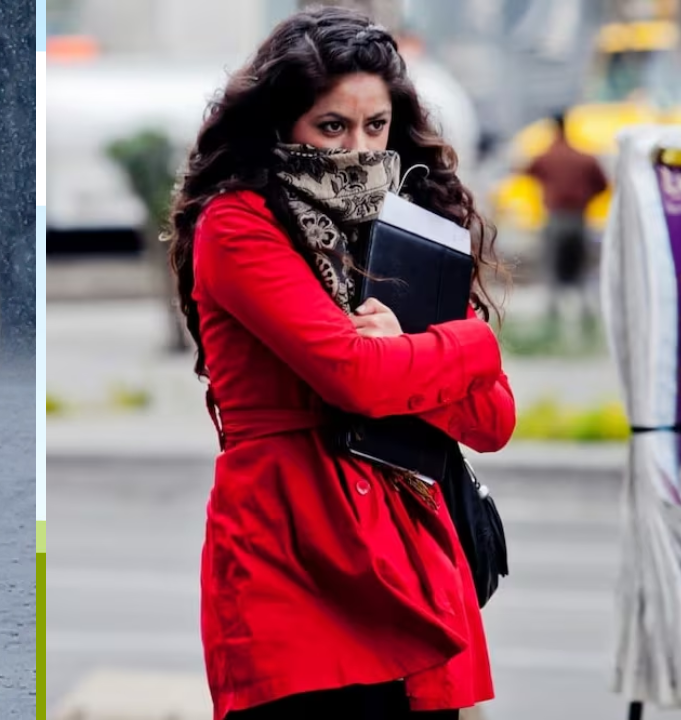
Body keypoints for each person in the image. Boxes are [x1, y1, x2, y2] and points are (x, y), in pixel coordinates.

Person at [164, 8, 515, 720]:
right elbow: (352, 375)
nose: (357, 148)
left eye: (375, 126)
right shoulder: (236, 224)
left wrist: (407, 359)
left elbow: (493, 419)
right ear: (282, 123)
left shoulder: (408, 229)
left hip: (407, 551)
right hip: (293, 558)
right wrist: (471, 347)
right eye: (332, 126)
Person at [522, 111, 609, 331]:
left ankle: (552, 317)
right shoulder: (584, 157)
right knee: (580, 266)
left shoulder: (546, 156)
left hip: (556, 217)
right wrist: (586, 197)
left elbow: (525, 170)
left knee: (552, 265)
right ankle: (585, 315)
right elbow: (603, 184)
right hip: (579, 217)